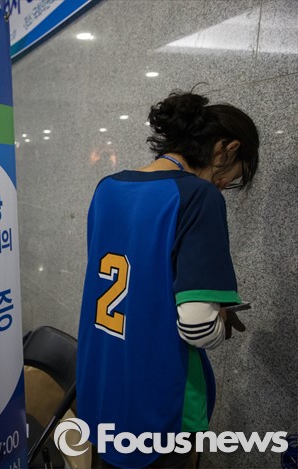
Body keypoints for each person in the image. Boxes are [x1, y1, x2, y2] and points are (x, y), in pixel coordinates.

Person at [76, 90, 259, 469]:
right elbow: (197, 327)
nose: (223, 185)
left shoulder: (107, 188)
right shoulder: (198, 196)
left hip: (103, 385)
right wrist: (221, 319)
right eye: (232, 177)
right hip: (159, 400)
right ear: (226, 149)